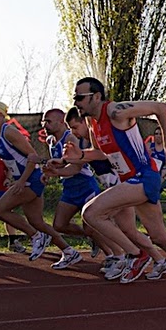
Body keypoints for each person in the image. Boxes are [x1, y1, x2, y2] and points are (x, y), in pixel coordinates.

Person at [65, 77, 166, 296]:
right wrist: (79, 156)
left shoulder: (115, 111)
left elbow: (160, 108)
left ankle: (136, 254)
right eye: (74, 97)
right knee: (158, 236)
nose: (76, 102)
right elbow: (102, 152)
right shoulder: (92, 122)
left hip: (144, 177)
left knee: (91, 213)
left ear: (96, 97)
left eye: (80, 97)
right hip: (129, 181)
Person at [0, 101, 79, 268]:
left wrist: (21, 181)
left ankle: (36, 237)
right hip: (24, 180)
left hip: (32, 177)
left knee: (0, 210)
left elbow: (32, 156)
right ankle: (69, 251)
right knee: (37, 221)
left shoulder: (10, 132)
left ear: (0, 115)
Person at [39, 108, 110, 269]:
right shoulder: (50, 140)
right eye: (43, 121)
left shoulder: (70, 138)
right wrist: (49, 174)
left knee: (92, 225)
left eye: (48, 121)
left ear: (60, 121)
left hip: (84, 185)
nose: (44, 125)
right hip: (69, 187)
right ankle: (90, 239)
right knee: (59, 225)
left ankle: (112, 255)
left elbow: (76, 167)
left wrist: (57, 172)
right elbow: (59, 164)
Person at [64, 107, 125, 274]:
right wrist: (57, 169)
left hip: (125, 184)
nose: (72, 132)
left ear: (85, 122)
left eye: (75, 127)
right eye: (70, 129)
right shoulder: (83, 142)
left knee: (95, 218)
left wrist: (81, 155)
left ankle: (123, 256)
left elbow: (103, 155)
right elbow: (76, 166)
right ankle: (151, 258)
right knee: (127, 228)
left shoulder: (96, 139)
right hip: (112, 185)